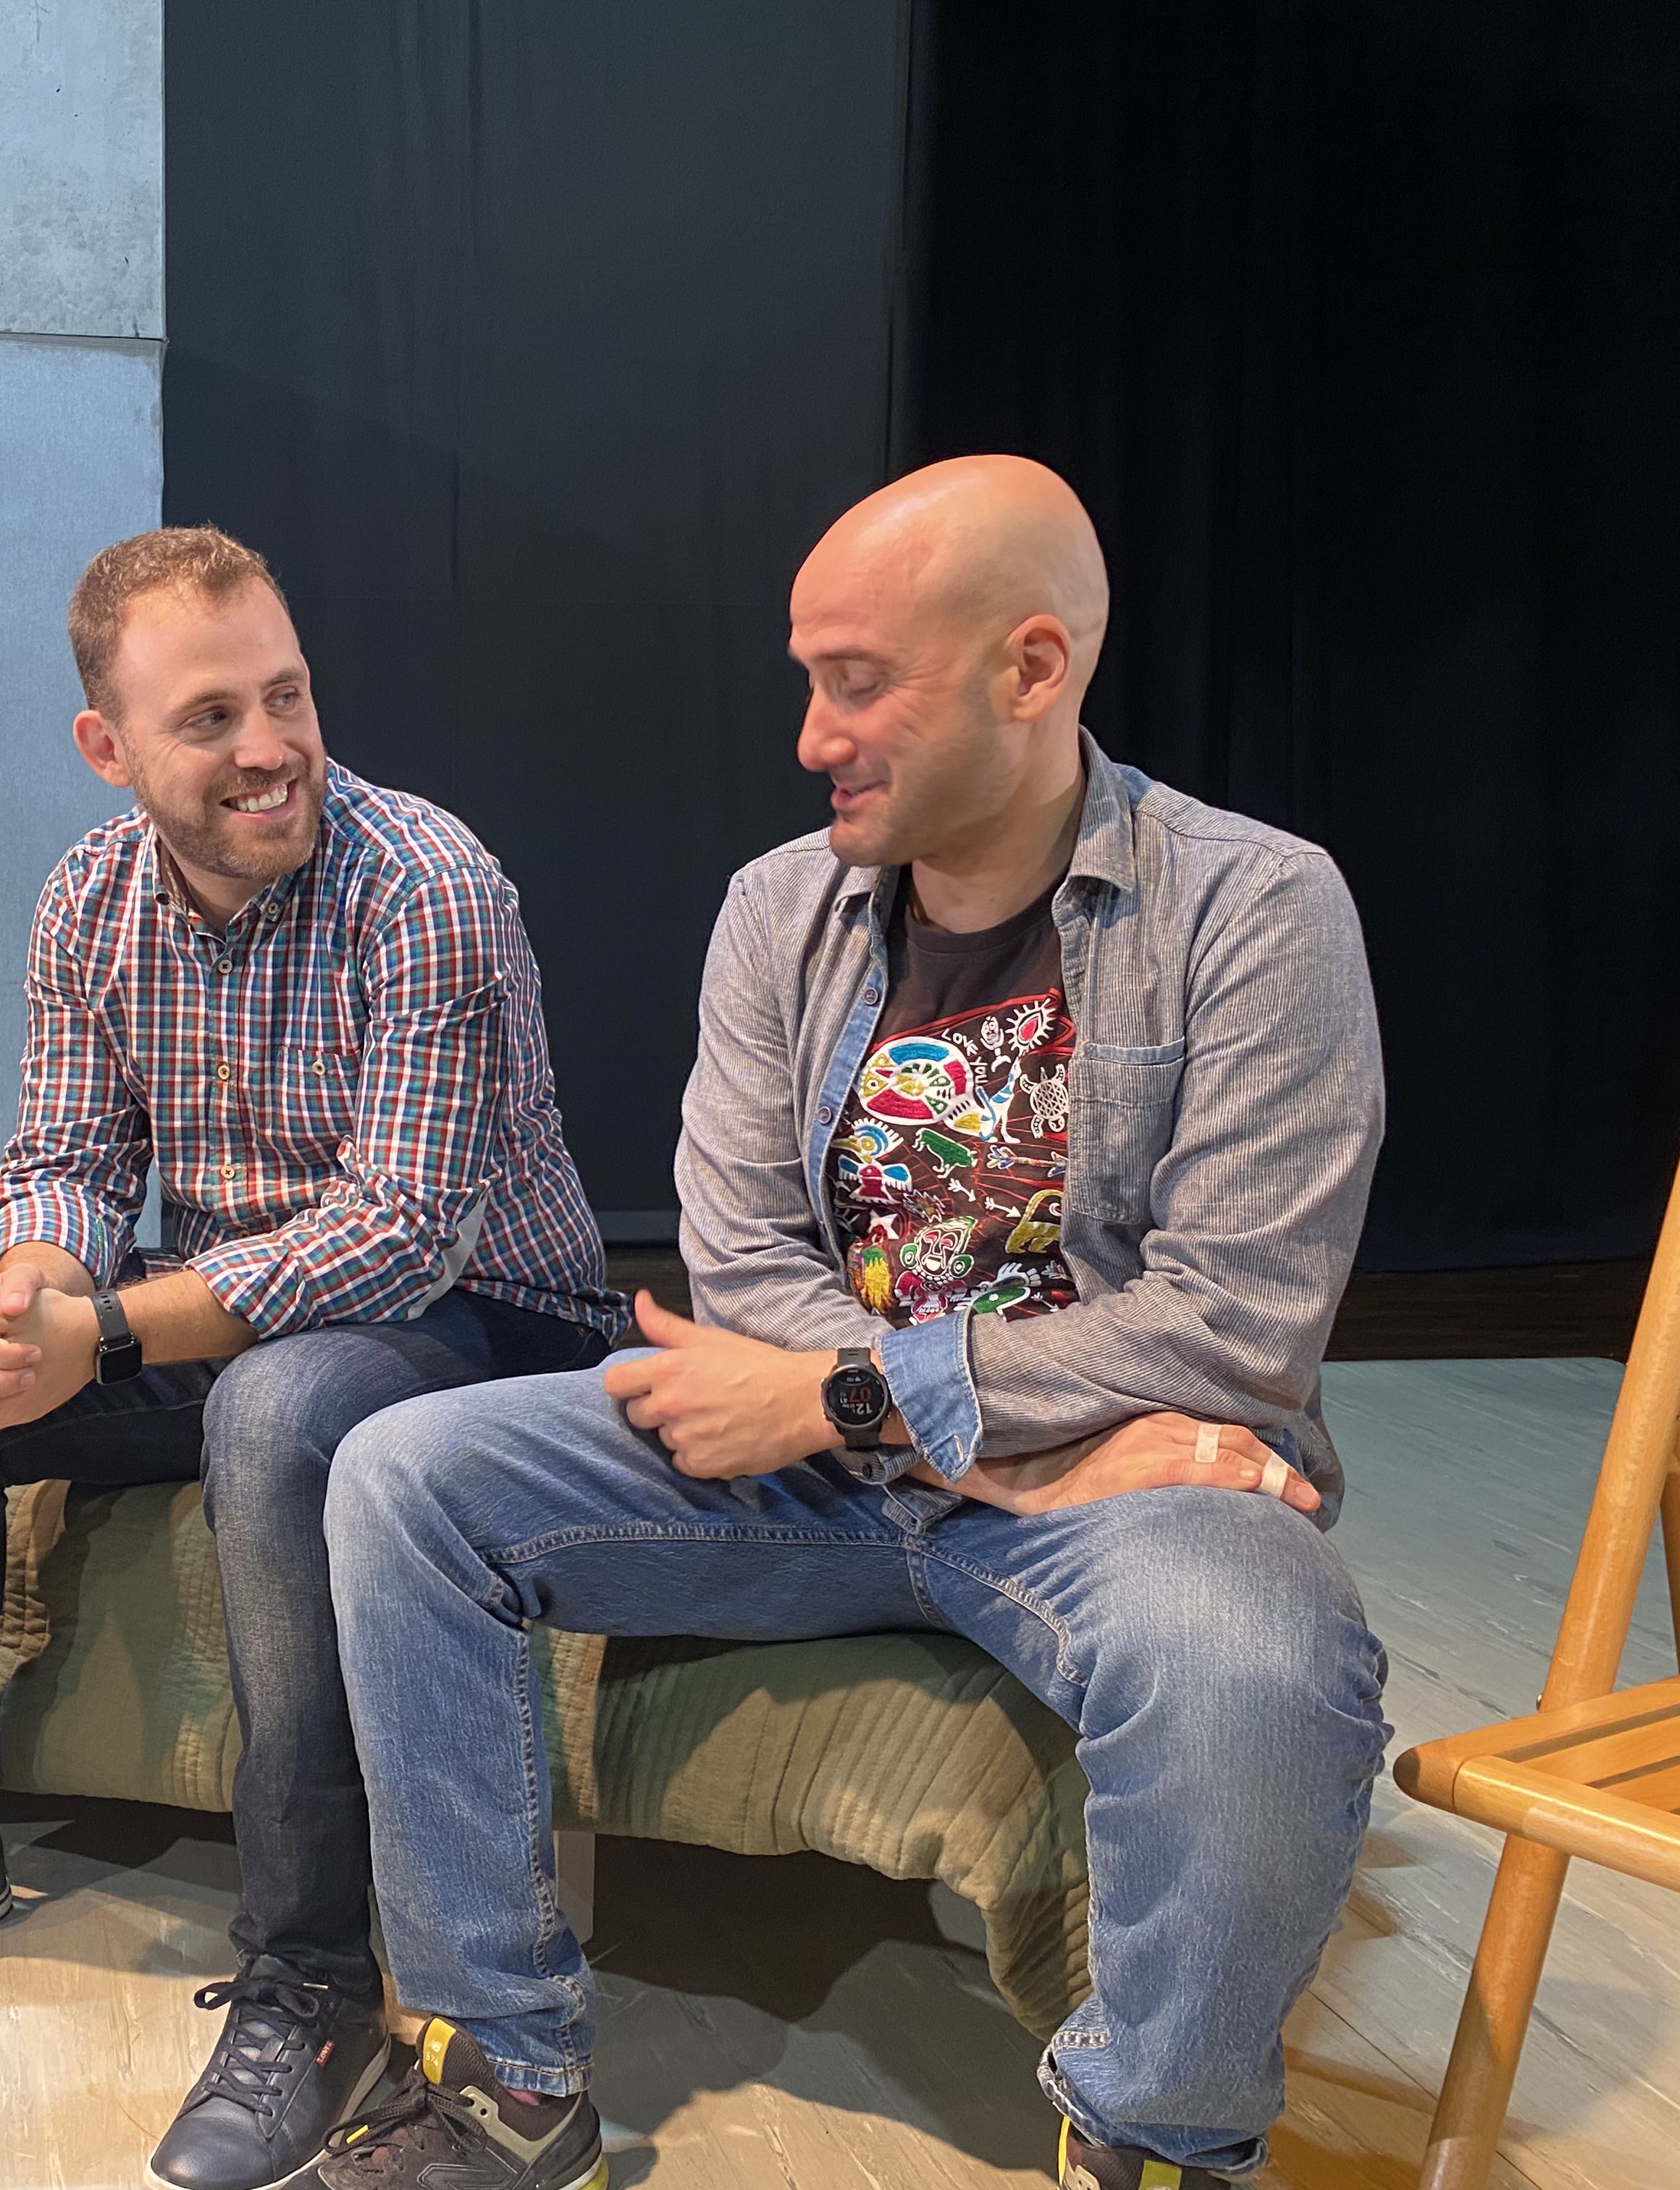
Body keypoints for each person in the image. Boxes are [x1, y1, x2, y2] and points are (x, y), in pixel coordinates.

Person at [317, 458, 1390, 2190]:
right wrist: (909, 1429)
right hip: (875, 1465)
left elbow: (1231, 1325)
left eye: (858, 681)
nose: (814, 733)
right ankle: (507, 2077)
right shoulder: (780, 908)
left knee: (1267, 1663)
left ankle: (1153, 2143)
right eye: (808, 679)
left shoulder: (1257, 910)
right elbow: (738, 1252)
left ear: (1030, 670)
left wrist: (848, 1402)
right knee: (399, 1479)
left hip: (1114, 1498)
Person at [0, 526, 626, 2190]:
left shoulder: (433, 887)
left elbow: (399, 1233)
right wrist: (29, 1298)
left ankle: (312, 1974)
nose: (269, 746)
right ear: (110, 749)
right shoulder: (90, 894)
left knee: (279, 1411)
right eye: (211, 718)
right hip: (209, 1301)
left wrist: (107, 1329)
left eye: (287, 695)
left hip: (484, 1322)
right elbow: (62, 1155)